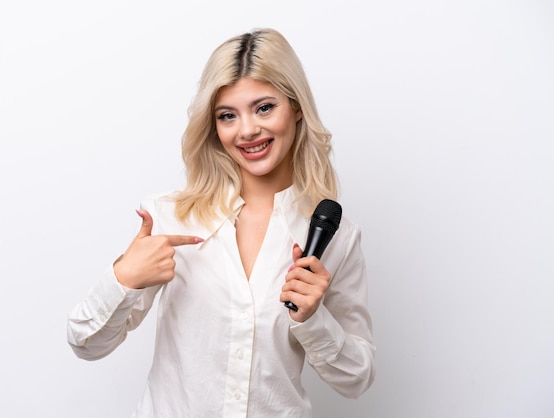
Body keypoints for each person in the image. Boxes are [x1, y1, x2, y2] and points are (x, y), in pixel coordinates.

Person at [67, 28, 375, 417]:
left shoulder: (336, 236)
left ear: (296, 107)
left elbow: (356, 379)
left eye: (264, 107)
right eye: (228, 116)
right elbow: (84, 342)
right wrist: (124, 277)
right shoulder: (170, 217)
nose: (247, 130)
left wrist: (314, 319)